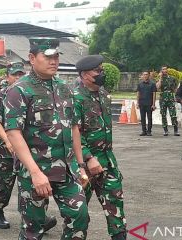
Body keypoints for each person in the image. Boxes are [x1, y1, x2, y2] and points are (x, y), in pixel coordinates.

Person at [3, 37, 89, 239]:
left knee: (79, 218)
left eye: (57, 56)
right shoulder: (19, 90)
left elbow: (74, 127)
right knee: (33, 230)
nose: (54, 61)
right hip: (35, 171)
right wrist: (35, 173)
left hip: (67, 170)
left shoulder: (63, 87)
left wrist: (80, 165)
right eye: (48, 56)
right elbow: (13, 133)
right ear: (32, 58)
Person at [0, 62, 57, 231]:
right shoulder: (0, 96)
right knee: (4, 181)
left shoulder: (31, 92)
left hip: (31, 149)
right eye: (14, 75)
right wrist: (8, 140)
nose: (18, 77)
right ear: (7, 77)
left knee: (35, 182)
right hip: (7, 149)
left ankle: (38, 217)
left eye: (20, 74)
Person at [72, 55, 127, 240]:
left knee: (116, 208)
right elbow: (74, 133)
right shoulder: (74, 98)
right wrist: (88, 158)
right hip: (83, 163)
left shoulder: (103, 94)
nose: (102, 73)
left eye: (102, 69)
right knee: (78, 215)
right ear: (85, 75)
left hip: (106, 160)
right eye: (98, 70)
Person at [156, 65, 180, 136]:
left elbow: (175, 89)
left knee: (173, 115)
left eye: (165, 69)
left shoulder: (172, 78)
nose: (164, 70)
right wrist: (160, 78)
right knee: (163, 114)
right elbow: (158, 87)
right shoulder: (160, 79)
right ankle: (165, 130)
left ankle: (176, 130)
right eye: (163, 69)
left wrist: (176, 97)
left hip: (170, 98)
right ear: (161, 71)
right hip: (163, 98)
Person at [136, 71, 157, 136]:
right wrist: (137, 103)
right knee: (142, 118)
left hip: (149, 103)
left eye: (146, 74)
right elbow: (138, 94)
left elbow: (154, 94)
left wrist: (153, 104)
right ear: (142, 76)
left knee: (149, 117)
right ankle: (143, 131)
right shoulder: (140, 84)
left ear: (149, 75)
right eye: (144, 74)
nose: (145, 76)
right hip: (142, 103)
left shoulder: (152, 84)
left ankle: (149, 131)